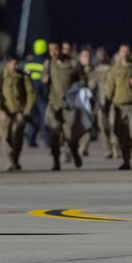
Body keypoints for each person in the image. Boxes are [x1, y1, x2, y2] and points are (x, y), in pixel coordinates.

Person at [103, 44, 132, 170]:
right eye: (122, 51)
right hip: (119, 106)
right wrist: (106, 107)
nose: (125, 53)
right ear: (119, 53)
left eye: (127, 51)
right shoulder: (115, 70)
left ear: (131, 53)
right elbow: (109, 89)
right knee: (121, 134)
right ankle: (126, 160)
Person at [44, 41, 85, 170]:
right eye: (51, 50)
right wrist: (44, 79)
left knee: (70, 135)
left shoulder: (72, 63)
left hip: (68, 105)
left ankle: (74, 153)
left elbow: (82, 79)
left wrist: (75, 90)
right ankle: (56, 161)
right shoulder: (48, 64)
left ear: (61, 50)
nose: (53, 53)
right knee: (54, 133)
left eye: (56, 50)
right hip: (54, 104)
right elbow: (43, 79)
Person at [0, 56, 35, 171]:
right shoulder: (0, 77)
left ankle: (15, 159)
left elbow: (30, 93)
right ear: (7, 64)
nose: (16, 66)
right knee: (5, 136)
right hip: (5, 111)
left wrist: (28, 108)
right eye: (13, 64)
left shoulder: (22, 76)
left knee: (17, 135)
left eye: (17, 64)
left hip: (19, 111)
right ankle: (9, 160)